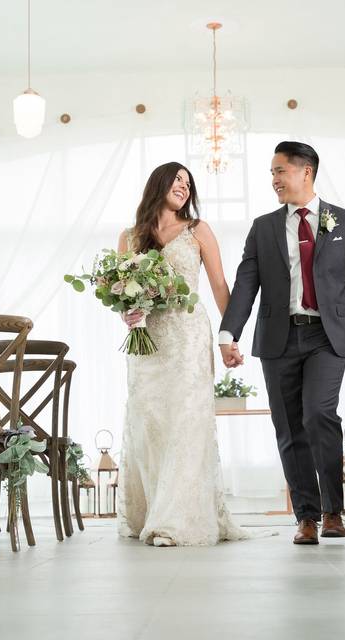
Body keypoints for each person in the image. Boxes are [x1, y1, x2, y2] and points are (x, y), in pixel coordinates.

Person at [218, 141, 345, 545]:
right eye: (272, 172)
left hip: (328, 336)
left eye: (280, 171)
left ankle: (333, 512)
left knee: (319, 414)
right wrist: (227, 333)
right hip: (279, 337)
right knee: (288, 427)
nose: (274, 180)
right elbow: (245, 286)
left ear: (306, 172)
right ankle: (305, 516)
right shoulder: (263, 227)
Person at [115, 161, 250, 546]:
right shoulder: (129, 237)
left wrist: (230, 338)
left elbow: (221, 286)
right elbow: (122, 289)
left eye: (188, 183)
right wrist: (128, 311)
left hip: (188, 335)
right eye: (177, 179)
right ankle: (149, 511)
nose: (183, 187)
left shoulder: (198, 230)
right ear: (158, 182)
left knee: (187, 422)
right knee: (150, 422)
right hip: (147, 342)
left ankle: (174, 520)